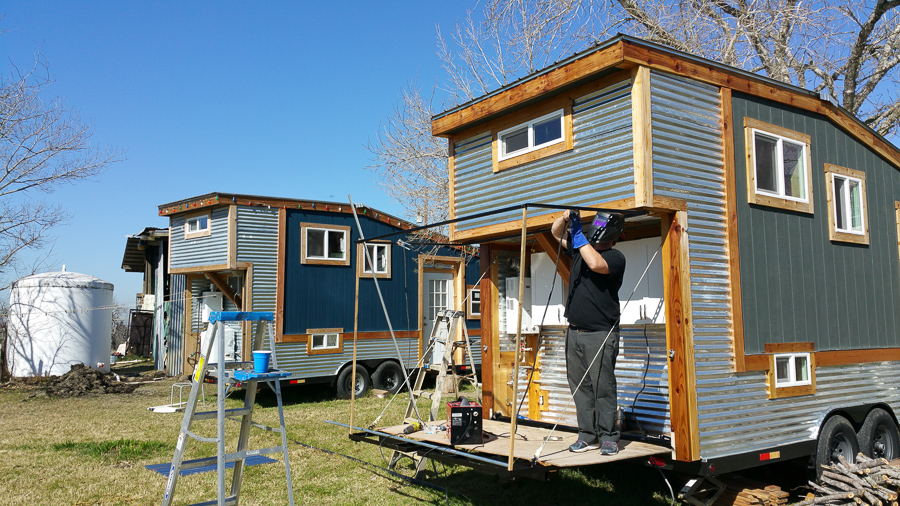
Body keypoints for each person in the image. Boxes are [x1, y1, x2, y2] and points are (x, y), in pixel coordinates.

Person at [550, 209, 626, 455]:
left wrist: (579, 234)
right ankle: (587, 436)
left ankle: (609, 437)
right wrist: (564, 218)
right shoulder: (580, 250)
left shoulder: (615, 257)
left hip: (600, 334)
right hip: (574, 332)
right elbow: (555, 234)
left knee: (603, 387)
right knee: (580, 387)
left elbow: (595, 263)